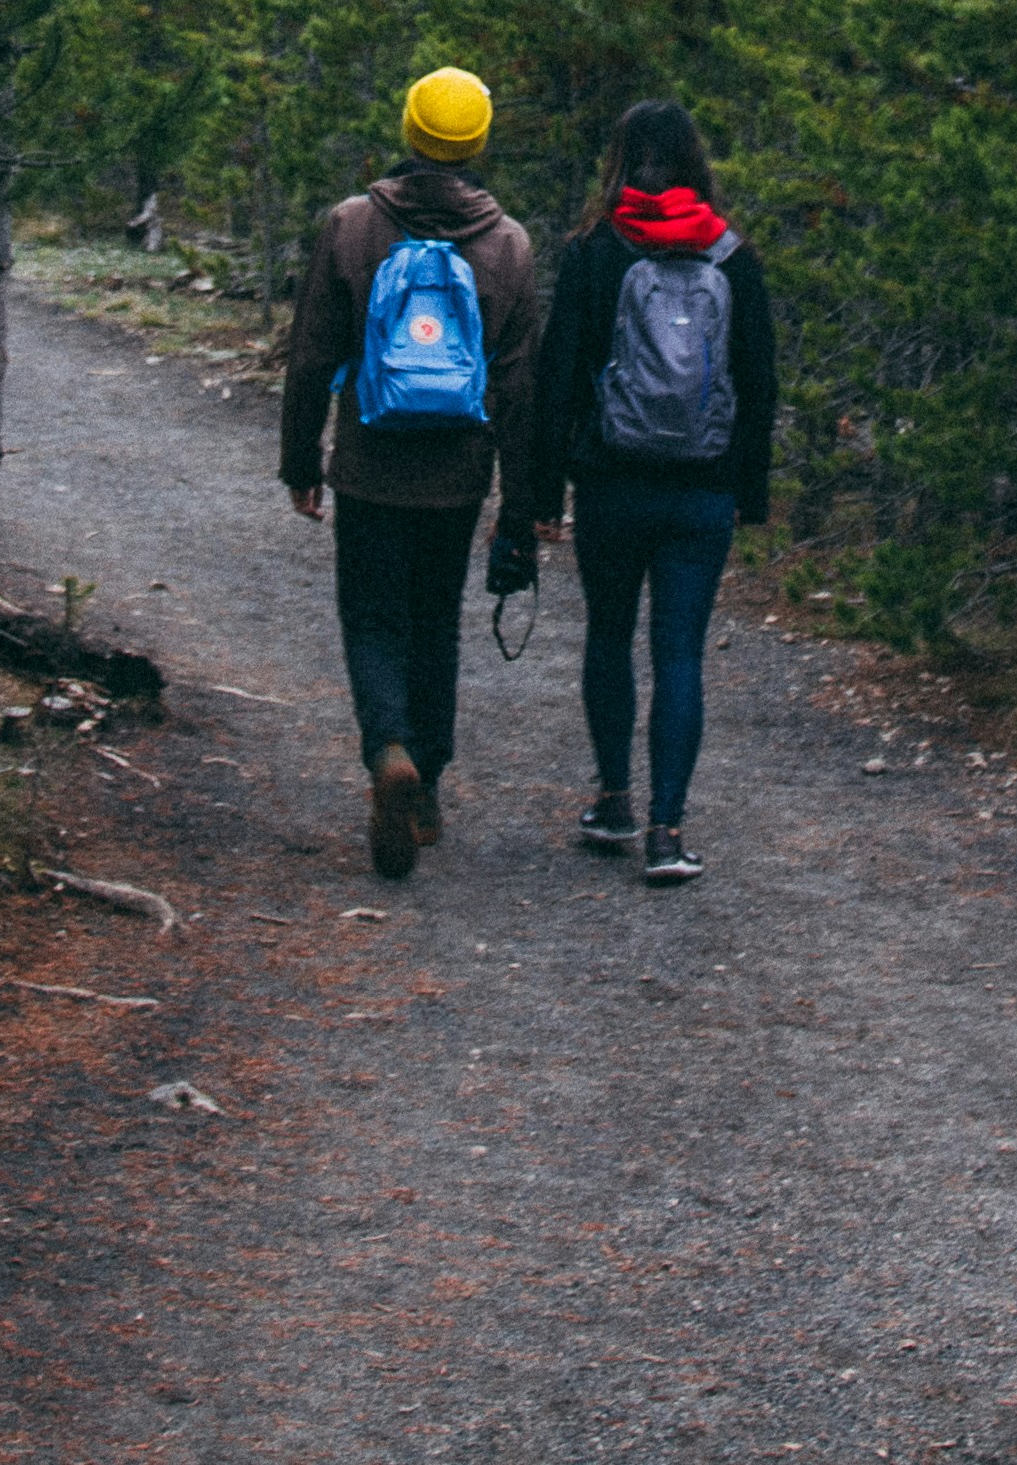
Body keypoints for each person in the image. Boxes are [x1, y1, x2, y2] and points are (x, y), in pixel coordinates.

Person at [499, 96, 776, 887]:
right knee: (681, 651)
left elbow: (557, 377)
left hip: (613, 481)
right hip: (703, 489)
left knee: (609, 635)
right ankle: (668, 830)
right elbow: (759, 382)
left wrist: (545, 492)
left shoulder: (595, 250)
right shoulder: (732, 255)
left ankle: (614, 797)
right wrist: (747, 495)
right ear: (697, 159)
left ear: (619, 159)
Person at [279, 64, 545, 881]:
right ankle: (425, 775)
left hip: (367, 461)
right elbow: (519, 387)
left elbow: (314, 351)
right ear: (478, 141)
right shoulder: (509, 243)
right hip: (457, 473)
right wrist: (521, 502)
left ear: (409, 127)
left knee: (371, 615)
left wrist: (301, 459)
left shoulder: (354, 223)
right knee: (435, 619)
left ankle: (386, 746)